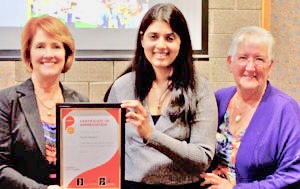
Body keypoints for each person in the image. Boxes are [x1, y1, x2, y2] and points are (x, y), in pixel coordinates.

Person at [104, 3, 218, 188]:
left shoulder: (200, 88)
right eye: (153, 37)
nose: (161, 45)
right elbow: (107, 149)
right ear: (142, 40)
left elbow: (202, 157)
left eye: (170, 38)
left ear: (181, 42)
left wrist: (151, 135)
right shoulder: (122, 87)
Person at [200, 26, 300, 188]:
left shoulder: (285, 110)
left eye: (259, 59)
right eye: (243, 57)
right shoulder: (218, 99)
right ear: (229, 62)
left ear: (270, 66)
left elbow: (293, 175)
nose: (250, 67)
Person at [0, 15, 89, 189]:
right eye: (40, 46)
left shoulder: (80, 102)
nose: (49, 54)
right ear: (28, 53)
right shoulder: (6, 101)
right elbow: (1, 167)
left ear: (66, 53)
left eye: (56, 46)